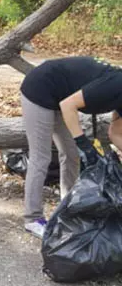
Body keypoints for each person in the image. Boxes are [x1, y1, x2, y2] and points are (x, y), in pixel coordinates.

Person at [18, 57, 122, 237]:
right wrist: (83, 142)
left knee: (71, 154)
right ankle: (32, 218)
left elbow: (116, 133)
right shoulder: (116, 86)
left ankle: (69, 206)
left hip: (61, 96)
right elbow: (68, 106)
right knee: (41, 157)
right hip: (39, 89)